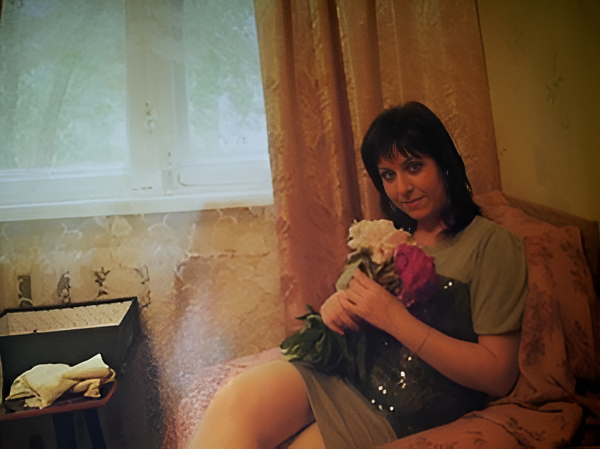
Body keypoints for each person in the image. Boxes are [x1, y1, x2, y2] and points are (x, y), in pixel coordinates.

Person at [190, 101, 528, 449]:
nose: (402, 188)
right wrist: (335, 309)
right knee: (234, 400)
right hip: (342, 374)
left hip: (403, 409)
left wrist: (394, 319)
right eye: (388, 175)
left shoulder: (491, 245)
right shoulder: (385, 236)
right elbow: (346, 305)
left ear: (444, 163)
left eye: (414, 167)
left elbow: (498, 375)